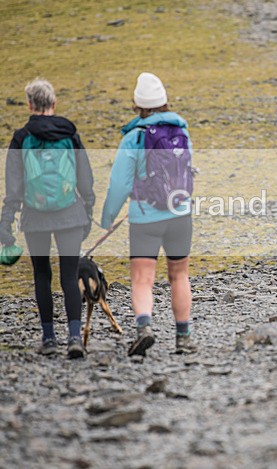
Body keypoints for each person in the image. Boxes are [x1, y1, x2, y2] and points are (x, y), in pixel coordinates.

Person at [101, 72, 197, 356]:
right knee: (179, 275)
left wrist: (108, 218)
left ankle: (144, 328)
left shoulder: (134, 137)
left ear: (138, 104)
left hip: (145, 217)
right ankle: (184, 337)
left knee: (143, 278)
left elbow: (119, 184)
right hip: (180, 214)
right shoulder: (182, 130)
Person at [0, 78, 95, 358]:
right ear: (54, 103)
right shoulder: (70, 134)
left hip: (35, 217)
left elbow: (13, 187)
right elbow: (85, 179)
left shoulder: (21, 137)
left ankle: (49, 338)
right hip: (70, 215)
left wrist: (6, 222)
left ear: (30, 104)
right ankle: (75, 338)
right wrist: (87, 210)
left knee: (42, 274)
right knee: (69, 276)